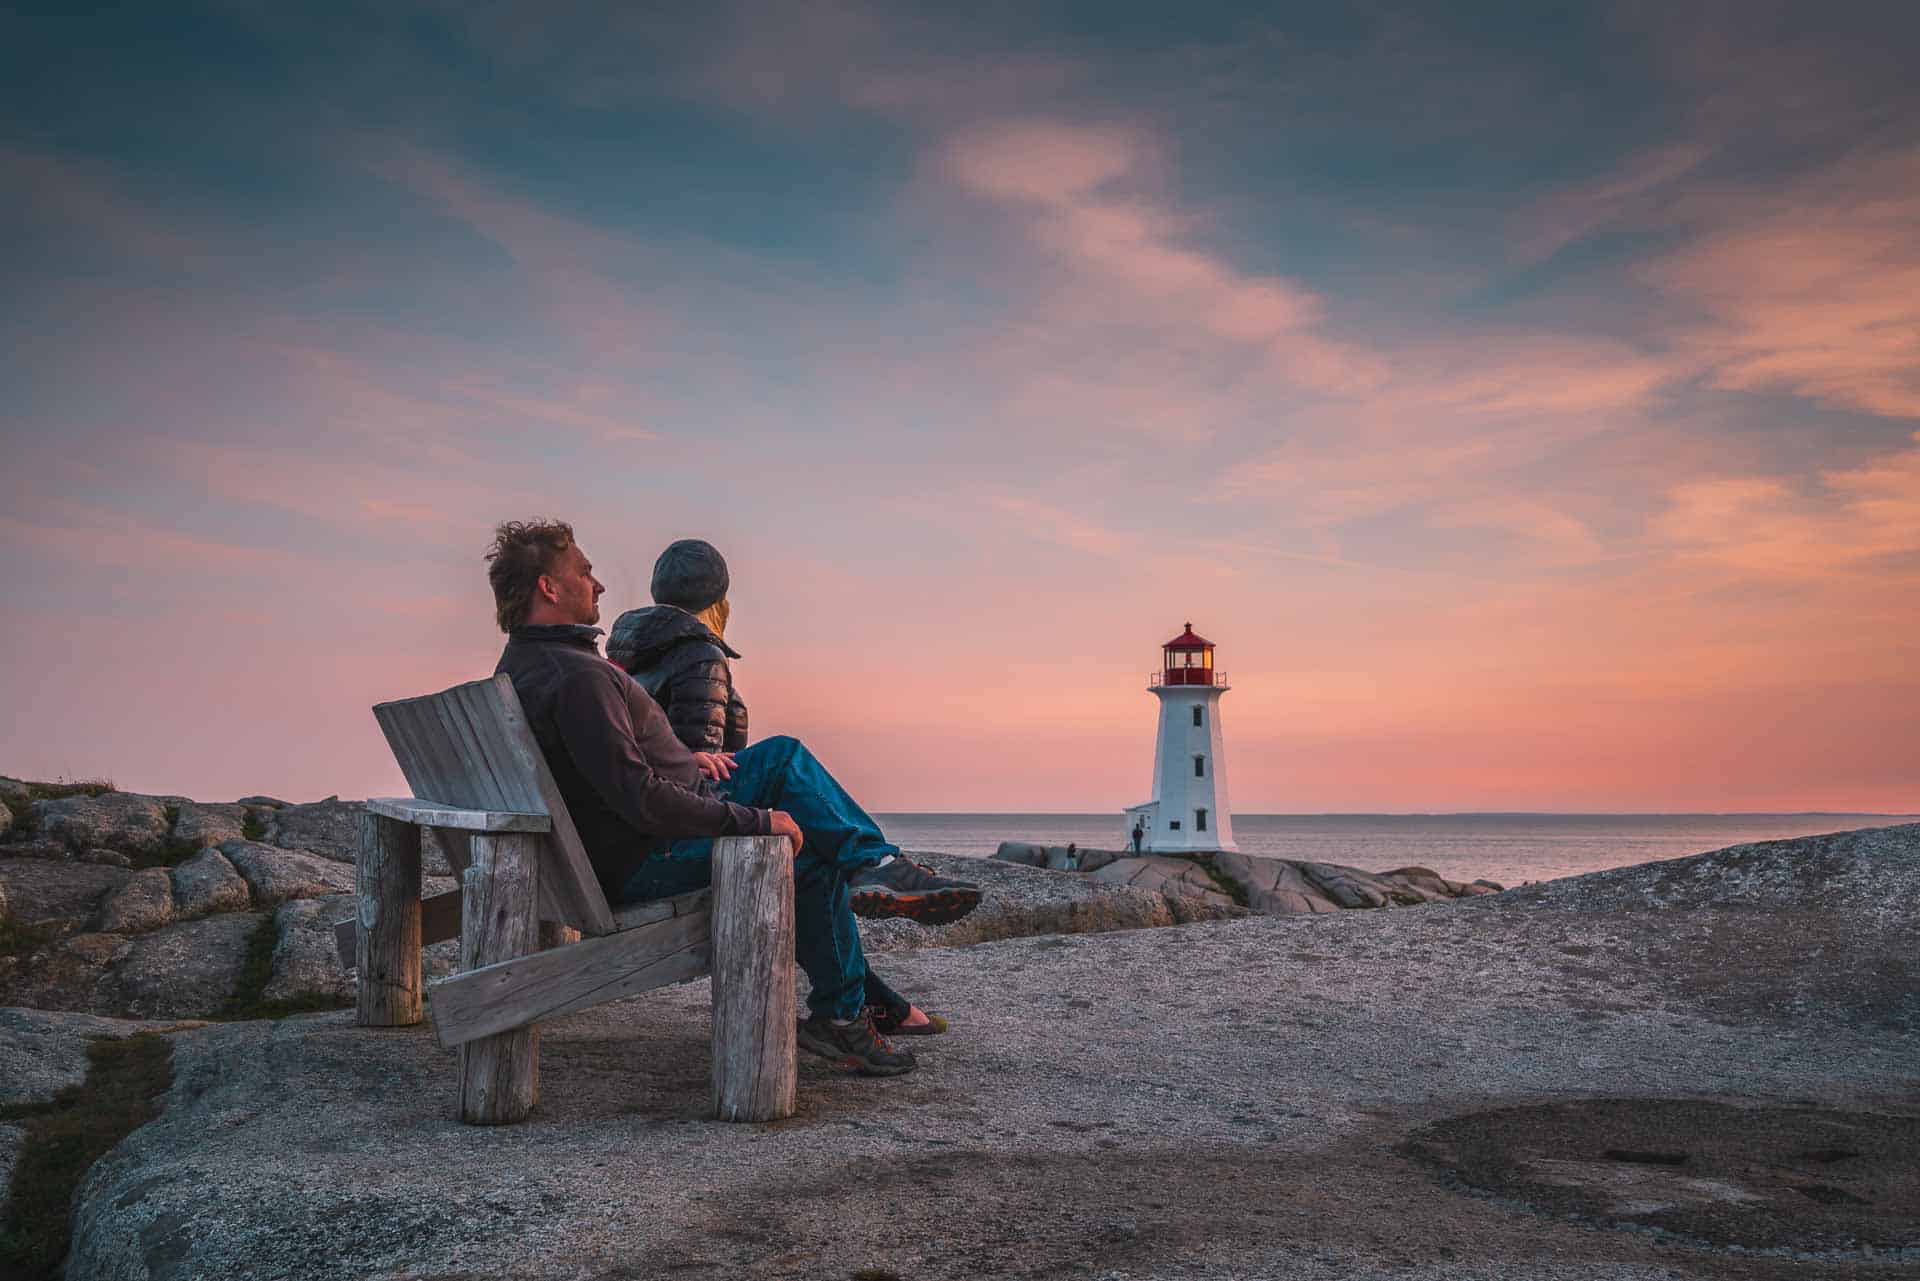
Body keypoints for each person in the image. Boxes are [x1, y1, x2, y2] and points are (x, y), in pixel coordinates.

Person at [486, 520, 978, 1076]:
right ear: (549, 588)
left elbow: (602, 769)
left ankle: (870, 904)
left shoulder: (527, 666)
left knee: (781, 762)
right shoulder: (578, 676)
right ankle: (862, 935)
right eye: (584, 571)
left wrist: (679, 758)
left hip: (617, 842)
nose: (597, 585)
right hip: (645, 856)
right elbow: (642, 801)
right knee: (806, 842)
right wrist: (756, 819)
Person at [608, 538, 972, 1036]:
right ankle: (877, 865)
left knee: (808, 854)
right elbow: (698, 784)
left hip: (626, 841)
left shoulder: (625, 658)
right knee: (787, 766)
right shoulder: (697, 655)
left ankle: (861, 1004)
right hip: (660, 848)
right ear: (721, 606)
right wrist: (759, 811)